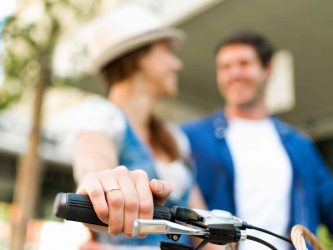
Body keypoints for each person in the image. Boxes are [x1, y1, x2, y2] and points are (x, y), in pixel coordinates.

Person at [69, 4, 220, 250]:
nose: (177, 64)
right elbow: (93, 162)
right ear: (139, 56)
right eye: (167, 51)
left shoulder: (173, 136)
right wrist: (99, 184)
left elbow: (201, 225)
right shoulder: (101, 115)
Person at [182, 30, 333, 249]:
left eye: (244, 63)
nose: (234, 74)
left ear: (267, 69)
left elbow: (329, 205)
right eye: (225, 67)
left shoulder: (299, 144)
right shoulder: (192, 138)